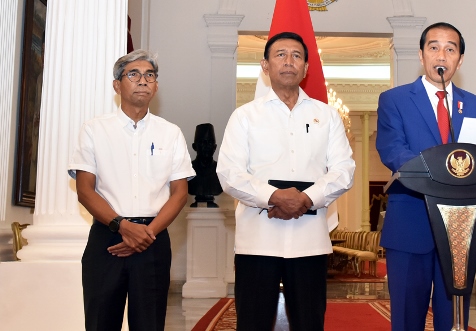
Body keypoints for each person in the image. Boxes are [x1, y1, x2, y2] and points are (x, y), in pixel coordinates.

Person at [216, 31, 355, 331]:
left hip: (309, 242)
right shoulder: (244, 117)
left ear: (306, 68)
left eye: (296, 55)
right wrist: (274, 197)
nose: (288, 61)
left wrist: (306, 199)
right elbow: (229, 173)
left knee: (309, 323)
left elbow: (344, 170)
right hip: (257, 241)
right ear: (265, 67)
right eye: (280, 55)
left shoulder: (327, 116)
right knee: (252, 323)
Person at [68, 49, 195, 331]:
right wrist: (122, 225)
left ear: (156, 86)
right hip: (107, 239)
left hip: (154, 240)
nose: (143, 80)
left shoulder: (170, 133)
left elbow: (179, 193)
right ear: (117, 85)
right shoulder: (93, 130)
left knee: (150, 324)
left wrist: (146, 234)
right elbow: (85, 191)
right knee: (101, 322)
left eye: (150, 75)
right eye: (133, 74)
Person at [375, 22, 476, 331]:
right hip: (411, 223)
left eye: (451, 49)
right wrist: (440, 171)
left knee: (453, 320)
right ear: (422, 55)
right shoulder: (394, 100)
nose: (442, 55)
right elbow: (392, 150)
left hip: (461, 228)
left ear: (460, 59)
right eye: (434, 47)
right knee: (407, 318)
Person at [188, 123, 223, 207]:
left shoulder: (221, 170)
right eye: (203, 142)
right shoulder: (187, 170)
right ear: (194, 146)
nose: (207, 146)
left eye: (210, 143)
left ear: (215, 147)